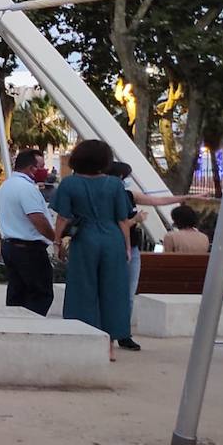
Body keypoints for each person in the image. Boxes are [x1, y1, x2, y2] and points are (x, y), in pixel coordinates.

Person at [50, 140, 134, 357]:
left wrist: (57, 242)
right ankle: (109, 345)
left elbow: (63, 217)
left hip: (85, 238)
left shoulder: (69, 184)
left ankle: (84, 337)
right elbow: (123, 219)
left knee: (83, 289)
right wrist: (126, 246)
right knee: (113, 290)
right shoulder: (115, 184)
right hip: (112, 238)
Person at [107, 161, 189, 305]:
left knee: (129, 294)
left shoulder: (129, 195)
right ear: (120, 176)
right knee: (115, 292)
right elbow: (117, 224)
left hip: (132, 247)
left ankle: (124, 318)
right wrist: (135, 220)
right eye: (127, 176)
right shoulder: (109, 198)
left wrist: (184, 198)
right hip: (116, 247)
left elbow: (158, 200)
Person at [0, 148, 56, 316]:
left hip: (10, 247)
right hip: (29, 249)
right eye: (41, 167)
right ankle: (32, 325)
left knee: (17, 293)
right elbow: (37, 218)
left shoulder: (6, 186)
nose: (44, 171)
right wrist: (55, 238)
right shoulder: (26, 189)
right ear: (31, 168)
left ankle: (15, 325)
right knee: (40, 294)